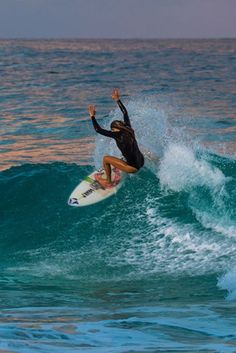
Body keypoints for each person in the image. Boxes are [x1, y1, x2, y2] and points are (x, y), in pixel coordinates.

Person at [88, 89, 144, 188]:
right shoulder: (128, 129)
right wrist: (118, 100)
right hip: (141, 162)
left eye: (112, 130)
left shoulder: (117, 135)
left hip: (133, 168)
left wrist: (92, 116)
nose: (111, 131)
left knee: (106, 159)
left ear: (115, 129)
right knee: (128, 154)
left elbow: (98, 130)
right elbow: (125, 113)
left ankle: (108, 182)